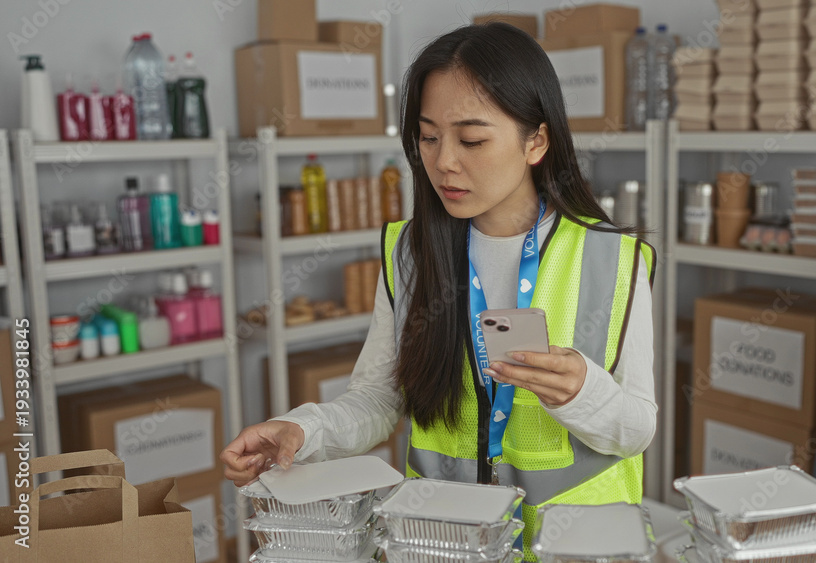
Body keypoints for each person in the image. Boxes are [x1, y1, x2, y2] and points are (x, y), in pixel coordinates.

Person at [221, 22, 657, 558]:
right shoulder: (410, 253)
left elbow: (637, 429)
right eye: (428, 137)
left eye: (472, 139)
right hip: (441, 541)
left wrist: (583, 392)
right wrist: (300, 431)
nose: (444, 161)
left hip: (574, 548)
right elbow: (380, 399)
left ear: (536, 141)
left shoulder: (613, 259)